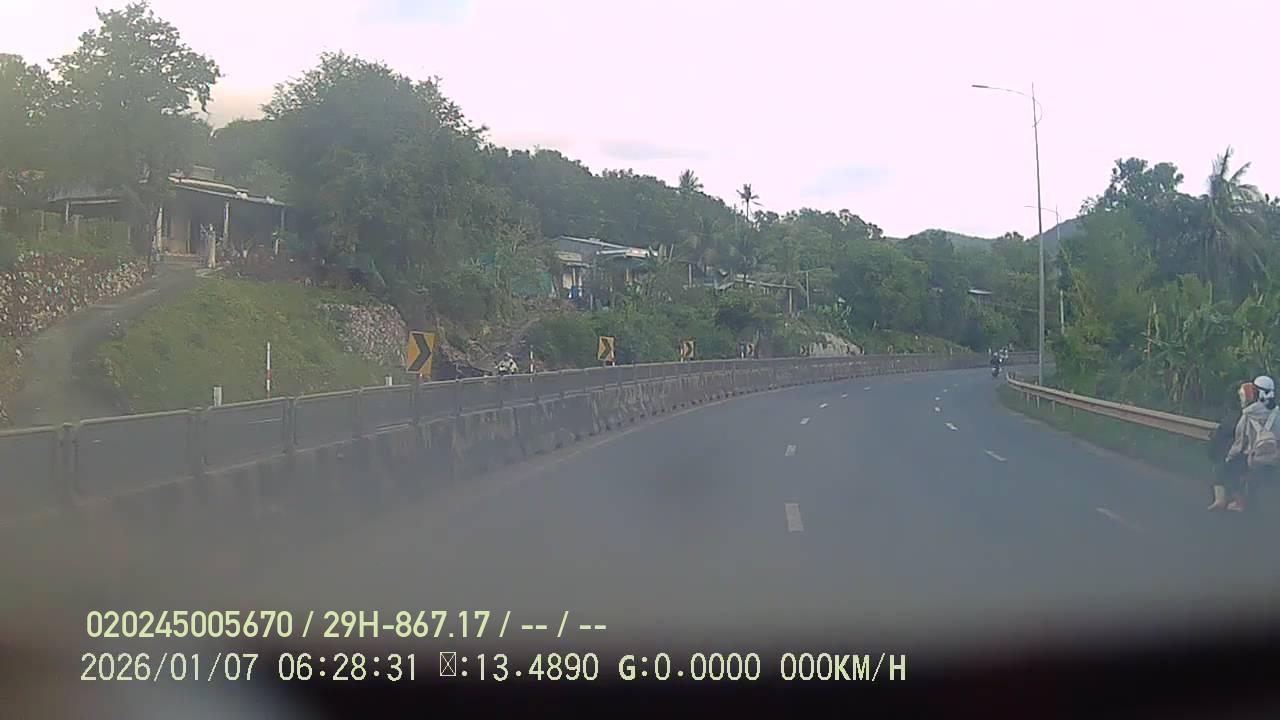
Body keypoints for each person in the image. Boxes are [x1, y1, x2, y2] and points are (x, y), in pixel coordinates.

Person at [1222, 375, 1280, 512]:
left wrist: (1229, 458)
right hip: (1274, 458)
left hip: (1252, 458)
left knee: (1228, 470)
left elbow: (1239, 443)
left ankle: (1239, 502)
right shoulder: (1277, 413)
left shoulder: (1248, 414)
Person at [1208, 381, 1257, 510]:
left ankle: (1225, 499)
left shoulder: (1242, 416)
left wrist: (1229, 457)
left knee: (1223, 465)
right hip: (1263, 453)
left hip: (1246, 454)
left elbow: (1237, 443)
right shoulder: (1270, 412)